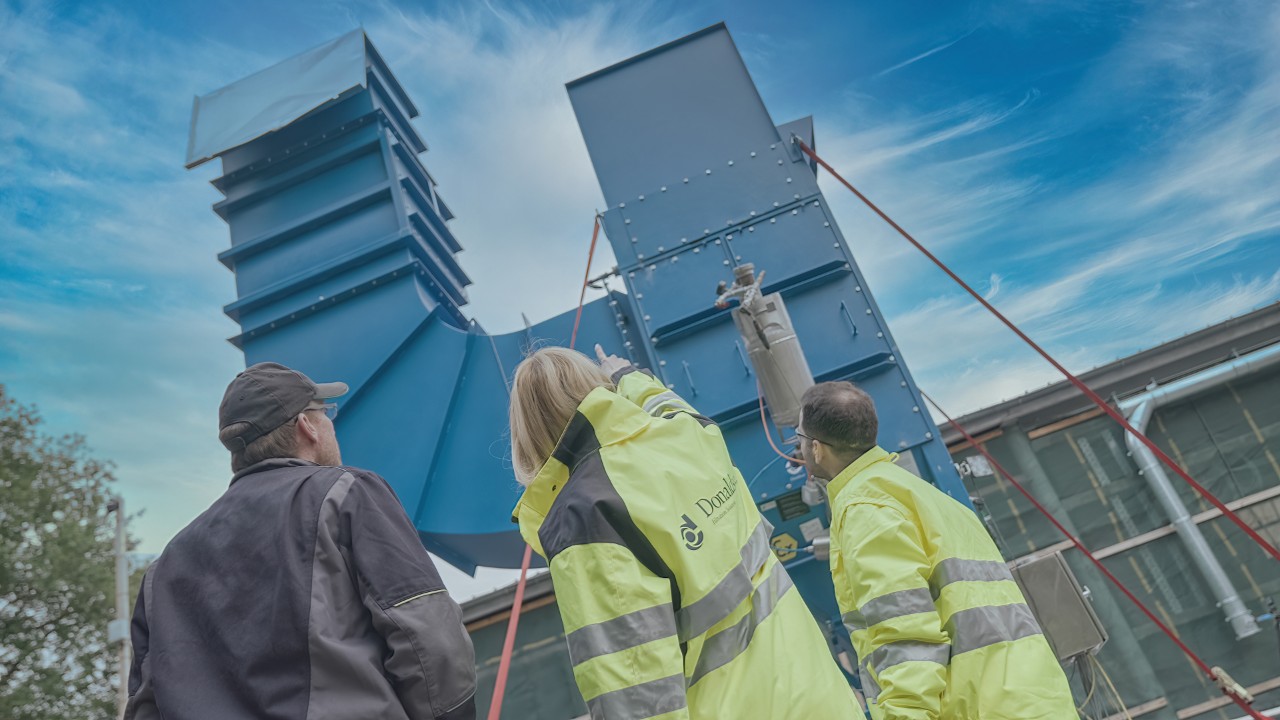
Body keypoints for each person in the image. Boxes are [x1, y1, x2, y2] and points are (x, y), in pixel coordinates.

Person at [509, 345, 859, 719]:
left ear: (527, 438)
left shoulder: (585, 515)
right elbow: (669, 406)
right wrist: (628, 376)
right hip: (822, 697)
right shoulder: (689, 434)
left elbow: (637, 697)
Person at [125, 362, 476, 720]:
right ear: (307, 426)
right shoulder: (346, 494)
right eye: (326, 413)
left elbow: (144, 704)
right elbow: (428, 635)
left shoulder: (163, 569)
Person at [798, 381, 1077, 720]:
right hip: (1037, 699)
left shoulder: (866, 508)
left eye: (799, 438)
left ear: (816, 449)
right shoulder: (924, 496)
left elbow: (905, 632)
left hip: (979, 709)